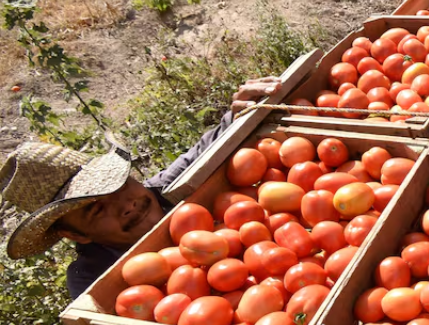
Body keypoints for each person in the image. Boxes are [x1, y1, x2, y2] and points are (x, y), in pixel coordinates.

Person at [0, 77, 280, 299]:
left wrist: (238, 112)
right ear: (74, 234)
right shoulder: (92, 279)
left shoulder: (162, 189)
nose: (126, 204)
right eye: (97, 209)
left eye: (118, 184)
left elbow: (206, 149)